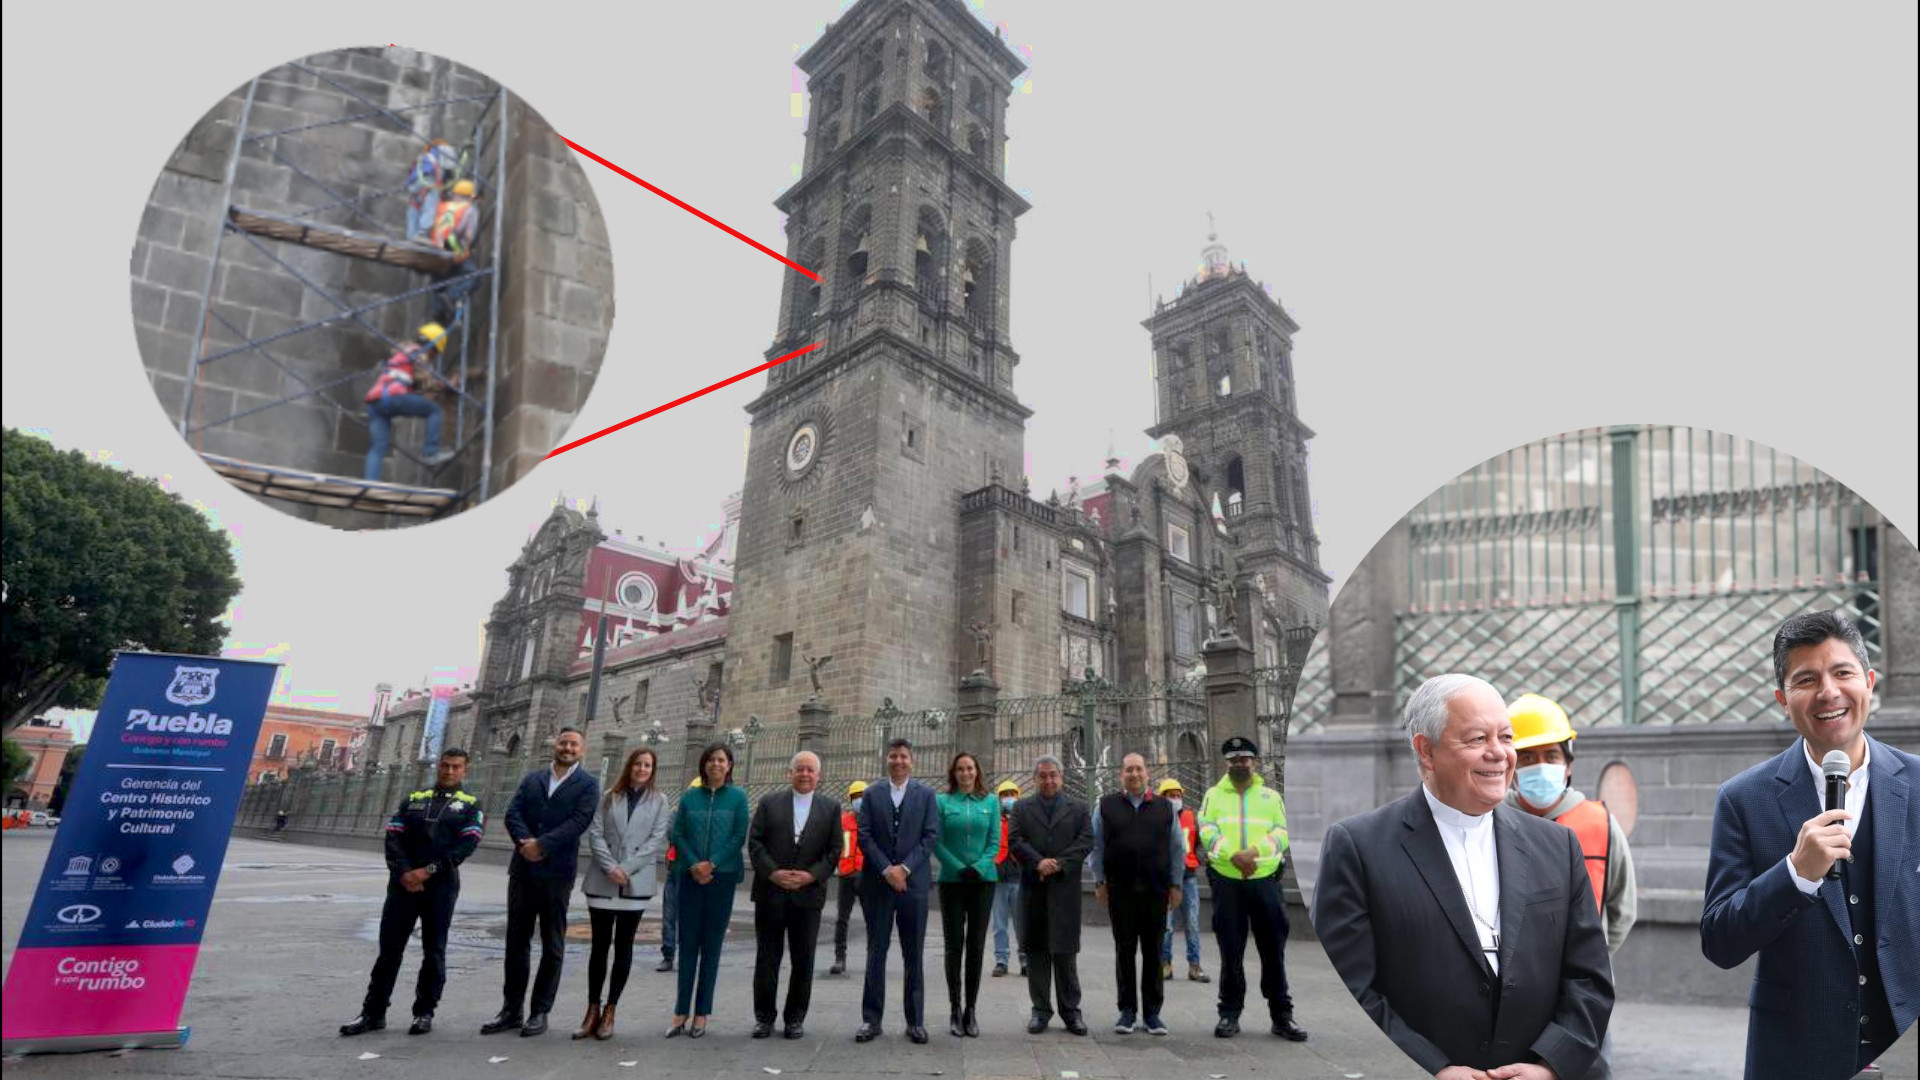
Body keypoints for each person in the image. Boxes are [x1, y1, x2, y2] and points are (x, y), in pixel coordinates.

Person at [1314, 675, 1614, 1080]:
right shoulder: (1359, 847)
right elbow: (1350, 989)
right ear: (1426, 751)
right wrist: (1432, 1068)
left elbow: (1589, 976)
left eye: (1505, 738)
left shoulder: (1557, 845)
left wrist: (1550, 1065)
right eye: (1476, 740)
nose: (1499, 754)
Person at [1702, 611, 1918, 1080]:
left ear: (1870, 682)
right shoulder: (1744, 798)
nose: (1828, 692)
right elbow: (1719, 940)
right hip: (1797, 1054)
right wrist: (1795, 873)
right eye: (1806, 679)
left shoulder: (1918, 785)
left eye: (1842, 672)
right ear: (1783, 699)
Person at [340, 748, 484, 1037]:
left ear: (465, 771)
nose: (450, 771)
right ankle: (372, 1012)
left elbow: (465, 846)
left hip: (440, 886)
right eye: (445, 765)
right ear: (438, 767)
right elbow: (393, 835)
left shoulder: (471, 805)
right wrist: (405, 872)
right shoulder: (415, 798)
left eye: (456, 767)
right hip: (402, 885)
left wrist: (426, 871)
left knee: (434, 951)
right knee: (389, 951)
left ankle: (424, 1012)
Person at [482, 728, 600, 1038]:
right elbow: (512, 812)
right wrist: (525, 842)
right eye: (563, 742)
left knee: (552, 943)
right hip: (523, 869)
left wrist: (542, 845)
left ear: (582, 750)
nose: (567, 748)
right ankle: (510, 1009)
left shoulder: (588, 785)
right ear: (555, 745)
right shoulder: (532, 778)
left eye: (574, 744)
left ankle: (539, 1011)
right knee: (516, 941)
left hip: (557, 873)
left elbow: (579, 822)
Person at [1196, 736, 1306, 1041]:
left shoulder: (1270, 797)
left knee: (1273, 950)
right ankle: (1229, 1013)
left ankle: (1282, 1015)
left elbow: (1283, 832)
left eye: (1244, 759)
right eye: (1233, 760)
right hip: (1227, 881)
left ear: (1253, 762)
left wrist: (1253, 853)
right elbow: (1207, 830)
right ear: (1226, 763)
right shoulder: (1213, 796)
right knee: (1230, 951)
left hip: (1264, 881)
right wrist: (1233, 855)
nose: (1239, 765)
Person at [574, 747, 671, 1041]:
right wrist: (610, 867)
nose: (642, 769)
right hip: (603, 881)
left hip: (634, 882)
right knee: (599, 947)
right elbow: (595, 833)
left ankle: (610, 1011)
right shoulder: (608, 796)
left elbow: (656, 840)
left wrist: (625, 869)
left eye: (648, 765)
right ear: (629, 766)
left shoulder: (660, 800)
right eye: (638, 764)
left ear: (653, 770)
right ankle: (592, 1008)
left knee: (624, 947)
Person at [748, 751, 841, 1040]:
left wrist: (812, 875)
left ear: (819, 775)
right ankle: (764, 1017)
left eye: (810, 770)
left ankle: (795, 1018)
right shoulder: (769, 803)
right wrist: (773, 873)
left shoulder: (831, 807)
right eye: (799, 769)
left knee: (804, 960)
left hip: (808, 896)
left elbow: (835, 850)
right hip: (771, 892)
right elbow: (755, 843)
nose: (804, 774)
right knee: (767, 958)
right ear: (790, 773)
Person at [1090, 753, 1185, 1037]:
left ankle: (1153, 1014)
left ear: (1147, 774)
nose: (1134, 774)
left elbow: (1177, 848)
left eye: (1139, 769)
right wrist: (1099, 881)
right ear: (1121, 774)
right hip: (1120, 891)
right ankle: (1127, 1011)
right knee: (1125, 952)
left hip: (1156, 891)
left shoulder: (1165, 807)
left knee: (1154, 951)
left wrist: (1176, 884)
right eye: (1128, 769)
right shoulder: (1105, 806)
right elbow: (1096, 846)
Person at [854, 737, 941, 1044]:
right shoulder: (872, 794)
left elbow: (930, 836)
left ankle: (915, 1021)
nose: (899, 761)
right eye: (893, 756)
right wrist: (886, 869)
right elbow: (864, 835)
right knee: (876, 951)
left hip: (913, 885)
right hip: (878, 884)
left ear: (911, 760)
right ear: (886, 759)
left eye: (904, 756)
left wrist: (903, 869)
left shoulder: (926, 795)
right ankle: (871, 1019)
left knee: (913, 953)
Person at [665, 743, 749, 1038]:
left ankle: (701, 1014)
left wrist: (711, 864)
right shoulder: (690, 797)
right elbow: (678, 834)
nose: (716, 764)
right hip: (689, 877)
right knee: (687, 945)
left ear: (729, 766)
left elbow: (739, 835)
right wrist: (693, 865)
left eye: (722, 760)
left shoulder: (738, 798)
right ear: (704, 765)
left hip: (721, 878)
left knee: (711, 947)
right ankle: (679, 1012)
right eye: (711, 760)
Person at [1007, 754, 1093, 1036]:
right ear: (1035, 779)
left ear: (1061, 777)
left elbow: (1085, 841)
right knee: (1036, 954)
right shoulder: (1021, 807)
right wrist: (1038, 862)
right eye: (1043, 776)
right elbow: (1015, 840)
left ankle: (1071, 1012)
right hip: (1034, 889)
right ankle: (1040, 1011)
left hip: (1064, 890)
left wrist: (1058, 864)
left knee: (1066, 954)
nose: (1048, 780)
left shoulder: (1079, 808)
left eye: (1053, 775)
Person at [934, 751, 999, 1038]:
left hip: (983, 882)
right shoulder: (942, 802)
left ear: (977, 771)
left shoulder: (992, 802)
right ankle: (954, 1007)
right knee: (953, 946)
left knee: (975, 946)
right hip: (952, 881)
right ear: (954, 773)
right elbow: (935, 841)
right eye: (960, 769)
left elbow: (995, 841)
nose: (966, 773)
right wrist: (959, 867)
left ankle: (970, 1009)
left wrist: (980, 867)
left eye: (970, 768)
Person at [363, 322, 456, 481]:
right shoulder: (418, 353)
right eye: (435, 352)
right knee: (434, 410)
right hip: (393, 397)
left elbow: (414, 383)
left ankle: (369, 484)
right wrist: (447, 385)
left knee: (378, 448)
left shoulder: (402, 352)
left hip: (376, 402)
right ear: (431, 346)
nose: (433, 357)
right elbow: (425, 383)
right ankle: (430, 452)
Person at [1157, 778, 1209, 984]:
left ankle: (1194, 966)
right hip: (1165, 878)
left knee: (1192, 923)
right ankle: (1164, 965)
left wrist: (1198, 859)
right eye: (1171, 796)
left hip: (1188, 876)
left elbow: (1197, 843)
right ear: (1163, 798)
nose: (1176, 799)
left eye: (1178, 796)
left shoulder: (1190, 816)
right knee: (1166, 926)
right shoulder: (1157, 817)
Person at [656, 776, 701, 974]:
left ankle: (688, 956)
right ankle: (668, 954)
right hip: (676, 870)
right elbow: (673, 833)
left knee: (693, 917)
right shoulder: (677, 812)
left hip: (698, 872)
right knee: (670, 914)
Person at [428, 178, 483, 324]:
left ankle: (439, 313)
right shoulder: (470, 208)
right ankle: (452, 296)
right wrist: (466, 246)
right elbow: (468, 235)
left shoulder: (442, 206)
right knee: (474, 277)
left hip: (435, 247)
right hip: (453, 245)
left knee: (439, 281)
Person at [829, 779, 868, 976]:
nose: (859, 800)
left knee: (872, 919)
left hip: (867, 876)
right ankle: (839, 958)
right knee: (842, 919)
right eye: (855, 797)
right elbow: (835, 846)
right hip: (846, 875)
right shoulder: (843, 821)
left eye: (862, 797)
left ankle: (874, 959)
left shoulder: (874, 821)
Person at [989, 779, 1028, 978]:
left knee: (1022, 922)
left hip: (1020, 875)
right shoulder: (994, 819)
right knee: (999, 922)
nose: (1009, 798)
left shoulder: (1024, 819)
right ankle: (1001, 960)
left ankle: (1025, 960)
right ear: (999, 798)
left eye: (1012, 794)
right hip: (998, 875)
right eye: (1005, 794)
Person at [404, 138, 459, 242]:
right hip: (431, 180)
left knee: (415, 206)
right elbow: (450, 168)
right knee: (430, 205)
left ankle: (411, 238)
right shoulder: (444, 150)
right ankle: (423, 233)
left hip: (414, 185)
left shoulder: (423, 157)